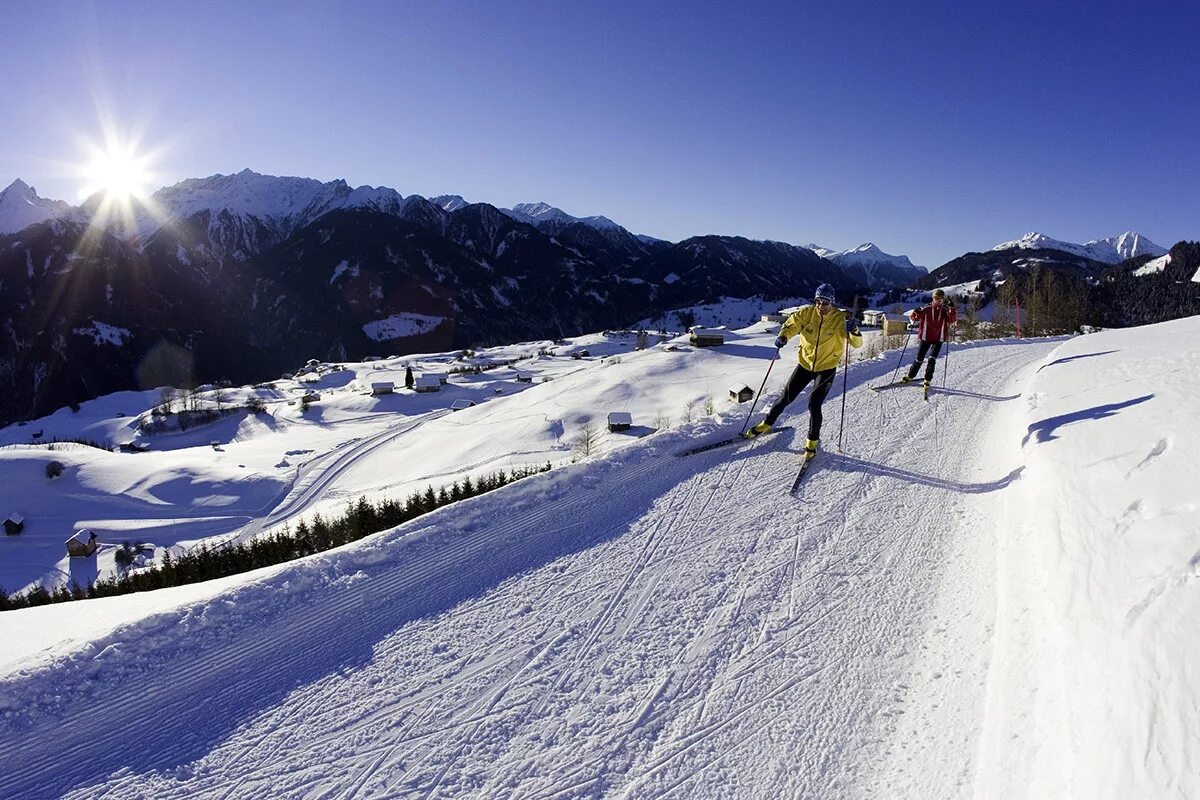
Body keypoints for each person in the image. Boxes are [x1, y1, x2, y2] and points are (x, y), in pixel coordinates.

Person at [744, 283, 862, 459]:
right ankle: (766, 424)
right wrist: (783, 336)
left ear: (832, 302)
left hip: (826, 368)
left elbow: (856, 344)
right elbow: (791, 325)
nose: (821, 306)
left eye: (826, 302)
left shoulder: (840, 319)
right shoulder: (806, 313)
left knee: (814, 404)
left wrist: (854, 331)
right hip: (805, 364)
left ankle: (812, 443)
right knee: (785, 398)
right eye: (818, 301)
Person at [900, 288, 957, 386]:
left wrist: (952, 310)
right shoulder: (926, 308)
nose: (939, 301)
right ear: (933, 298)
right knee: (919, 359)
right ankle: (910, 376)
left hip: (938, 339)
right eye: (937, 298)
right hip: (925, 338)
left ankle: (927, 379)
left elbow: (951, 320)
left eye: (941, 299)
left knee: (932, 359)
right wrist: (915, 313)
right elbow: (914, 317)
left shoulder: (945, 310)